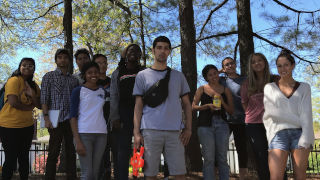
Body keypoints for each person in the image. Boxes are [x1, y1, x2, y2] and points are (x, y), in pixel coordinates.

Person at [133, 36, 192, 180]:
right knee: (150, 174)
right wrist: (136, 133)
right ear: (153, 50)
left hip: (175, 132)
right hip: (150, 130)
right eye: (159, 47)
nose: (162, 51)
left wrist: (189, 128)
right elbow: (138, 105)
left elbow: (187, 104)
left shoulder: (178, 76)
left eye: (166, 48)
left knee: (179, 174)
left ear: (169, 51)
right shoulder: (142, 75)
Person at [263, 50, 314, 180]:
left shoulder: (304, 87)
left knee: (300, 176)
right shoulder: (269, 87)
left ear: (292, 65)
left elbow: (306, 113)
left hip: (300, 133)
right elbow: (271, 114)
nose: (282, 68)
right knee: (275, 177)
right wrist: (271, 136)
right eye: (279, 66)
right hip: (278, 134)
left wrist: (306, 138)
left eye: (286, 65)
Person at [0, 58, 41, 180]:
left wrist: (32, 95)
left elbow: (39, 105)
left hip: (27, 127)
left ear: (34, 69)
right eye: (24, 65)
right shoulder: (14, 80)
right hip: (9, 126)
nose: (27, 68)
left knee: (24, 158)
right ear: (20, 67)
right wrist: (29, 107)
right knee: (11, 159)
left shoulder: (34, 85)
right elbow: (13, 102)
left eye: (31, 66)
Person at [41, 48, 79, 180]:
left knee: (70, 152)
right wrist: (46, 118)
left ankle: (72, 177)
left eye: (65, 57)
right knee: (53, 152)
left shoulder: (74, 80)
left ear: (69, 60)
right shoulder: (48, 76)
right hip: (54, 119)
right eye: (60, 57)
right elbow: (44, 99)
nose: (62, 60)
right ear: (56, 60)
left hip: (70, 120)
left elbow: (76, 101)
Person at [109, 43, 144, 180]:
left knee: (139, 149)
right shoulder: (118, 72)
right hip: (123, 114)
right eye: (130, 50)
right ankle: (121, 177)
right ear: (125, 54)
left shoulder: (144, 71)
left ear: (140, 55)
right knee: (122, 150)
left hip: (142, 113)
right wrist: (115, 117)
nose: (133, 52)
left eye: (136, 50)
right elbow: (114, 95)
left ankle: (136, 175)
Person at [192, 64, 233, 180]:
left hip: (222, 125)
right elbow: (193, 107)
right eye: (210, 75)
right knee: (209, 159)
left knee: (222, 158)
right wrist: (206, 106)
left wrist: (222, 102)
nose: (214, 76)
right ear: (206, 77)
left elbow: (231, 111)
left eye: (215, 73)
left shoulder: (226, 90)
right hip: (205, 126)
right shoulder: (202, 89)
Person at [70, 62, 108, 180]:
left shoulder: (102, 91)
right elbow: (72, 117)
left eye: (96, 72)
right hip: (84, 134)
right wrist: (77, 140)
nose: (93, 75)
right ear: (84, 75)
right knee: (87, 174)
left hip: (101, 134)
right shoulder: (78, 91)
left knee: (95, 173)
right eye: (90, 72)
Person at [240, 53, 271, 180]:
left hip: (273, 123)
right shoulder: (247, 83)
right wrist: (253, 113)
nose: (257, 63)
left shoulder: (275, 79)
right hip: (254, 124)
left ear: (265, 62)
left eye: (260, 60)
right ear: (251, 66)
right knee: (261, 156)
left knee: (277, 154)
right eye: (253, 62)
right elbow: (244, 103)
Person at [220, 57, 248, 179]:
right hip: (225, 120)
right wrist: (220, 70)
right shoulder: (221, 80)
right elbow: (210, 74)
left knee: (242, 150)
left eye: (231, 63)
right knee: (220, 148)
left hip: (241, 120)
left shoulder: (244, 79)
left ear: (235, 64)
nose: (230, 66)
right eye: (226, 65)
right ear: (224, 68)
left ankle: (243, 177)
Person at [92, 54, 113, 180]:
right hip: (94, 125)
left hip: (110, 124)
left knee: (106, 156)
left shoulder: (112, 82)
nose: (102, 65)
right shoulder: (90, 84)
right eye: (99, 63)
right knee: (96, 157)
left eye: (104, 62)